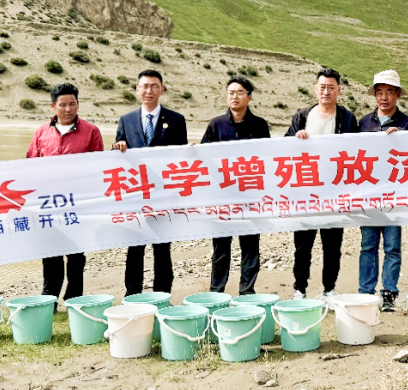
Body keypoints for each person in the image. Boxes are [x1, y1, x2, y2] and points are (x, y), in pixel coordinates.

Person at [286, 68, 360, 303]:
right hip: (306, 192)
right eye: (322, 87)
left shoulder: (347, 118)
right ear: (315, 89)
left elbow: (357, 150)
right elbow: (284, 147)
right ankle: (300, 289)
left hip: (334, 194)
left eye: (331, 87)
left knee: (332, 245)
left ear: (339, 91)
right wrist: (296, 139)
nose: (326, 91)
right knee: (302, 245)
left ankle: (329, 289)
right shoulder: (302, 116)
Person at [112, 69, 188, 295]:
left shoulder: (176, 120)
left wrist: (189, 152)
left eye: (154, 86)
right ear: (137, 90)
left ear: (162, 90)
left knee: (162, 248)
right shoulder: (126, 120)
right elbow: (116, 155)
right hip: (136, 195)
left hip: (164, 195)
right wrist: (118, 147)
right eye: (144, 86)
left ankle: (162, 295)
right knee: (134, 248)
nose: (149, 91)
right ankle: (132, 295)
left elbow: (181, 157)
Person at [26, 83, 104, 304]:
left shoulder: (91, 131)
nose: (68, 109)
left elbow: (99, 166)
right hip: (47, 203)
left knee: (76, 253)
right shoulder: (41, 132)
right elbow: (29, 165)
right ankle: (49, 298)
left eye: (72, 104)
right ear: (53, 106)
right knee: (50, 252)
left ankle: (74, 298)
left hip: (78, 203)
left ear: (78, 104)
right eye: (63, 104)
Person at [202, 76, 270, 295]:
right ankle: (216, 292)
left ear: (249, 97)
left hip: (250, 196)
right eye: (231, 92)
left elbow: (267, 159)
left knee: (250, 247)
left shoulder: (259, 125)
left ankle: (247, 292)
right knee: (221, 248)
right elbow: (204, 158)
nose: (234, 96)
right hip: (222, 197)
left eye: (239, 92)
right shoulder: (216, 125)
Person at [359, 70, 408, 312]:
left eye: (389, 92)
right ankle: (365, 292)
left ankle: (389, 293)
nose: (384, 97)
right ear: (375, 95)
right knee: (368, 245)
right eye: (380, 92)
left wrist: (401, 140)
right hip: (369, 194)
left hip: (395, 195)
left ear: (397, 94)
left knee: (392, 246)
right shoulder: (363, 123)